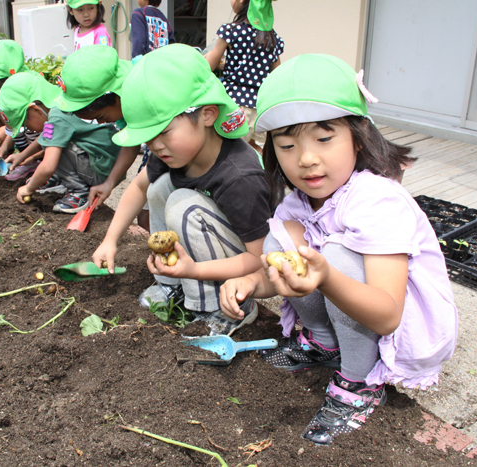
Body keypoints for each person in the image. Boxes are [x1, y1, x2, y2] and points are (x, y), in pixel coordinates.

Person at [219, 54, 458, 446]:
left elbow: (387, 315)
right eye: (287, 144)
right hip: (351, 302)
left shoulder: (376, 200)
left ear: (358, 136)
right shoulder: (297, 203)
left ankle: (360, 381)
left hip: (398, 318)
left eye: (324, 138)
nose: (307, 158)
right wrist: (246, 282)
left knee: (334, 255)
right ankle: (323, 343)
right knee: (282, 243)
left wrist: (327, 277)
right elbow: (279, 275)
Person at [92, 44, 273, 336]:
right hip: (211, 246)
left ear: (207, 114)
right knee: (158, 187)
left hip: (248, 261)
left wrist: (195, 272)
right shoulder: (174, 152)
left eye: (163, 131)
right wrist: (110, 240)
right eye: (148, 137)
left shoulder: (240, 177)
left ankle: (223, 305)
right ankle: (172, 285)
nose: (155, 146)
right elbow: (138, 188)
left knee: (181, 203)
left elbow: (261, 258)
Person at [11, 45, 140, 213]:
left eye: (101, 117)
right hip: (107, 163)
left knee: (55, 143)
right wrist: (108, 185)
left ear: (114, 97)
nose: (102, 123)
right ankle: (64, 181)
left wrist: (27, 189)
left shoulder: (139, 101)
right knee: (52, 140)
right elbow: (131, 142)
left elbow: (48, 165)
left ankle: (79, 191)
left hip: (102, 166)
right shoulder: (121, 100)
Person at [205, 0, 283, 153]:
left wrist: (206, 58)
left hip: (234, 104)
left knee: (226, 152)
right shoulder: (272, 38)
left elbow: (208, 66)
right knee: (254, 151)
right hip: (259, 107)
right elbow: (277, 76)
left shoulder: (231, 31)